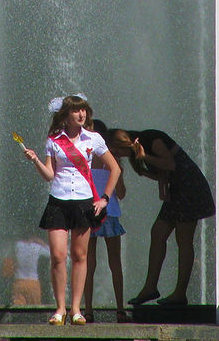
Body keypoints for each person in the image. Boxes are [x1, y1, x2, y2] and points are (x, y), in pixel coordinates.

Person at [22, 94, 121, 326]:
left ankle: (76, 309)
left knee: (80, 256)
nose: (81, 114)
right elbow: (50, 175)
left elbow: (115, 168)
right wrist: (36, 160)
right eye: (76, 111)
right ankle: (60, 309)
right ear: (65, 116)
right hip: (58, 199)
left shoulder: (93, 139)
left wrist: (105, 198)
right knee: (57, 256)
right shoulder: (54, 140)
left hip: (83, 202)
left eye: (84, 110)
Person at [109, 127, 215, 307]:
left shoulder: (151, 139)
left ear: (123, 143)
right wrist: (154, 181)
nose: (116, 154)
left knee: (184, 239)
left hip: (190, 187)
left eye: (116, 150)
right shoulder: (139, 150)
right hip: (177, 190)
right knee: (158, 232)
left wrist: (145, 157)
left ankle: (180, 293)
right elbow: (162, 172)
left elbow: (171, 164)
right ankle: (150, 287)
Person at [83, 119, 129, 323]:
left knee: (87, 264)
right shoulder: (113, 162)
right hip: (109, 212)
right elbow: (122, 193)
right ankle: (120, 309)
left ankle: (88, 310)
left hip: (90, 213)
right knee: (115, 263)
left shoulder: (85, 159)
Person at [3, 231, 52, 305]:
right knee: (34, 312)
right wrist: (41, 242)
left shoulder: (16, 245)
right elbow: (51, 253)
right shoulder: (36, 247)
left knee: (17, 311)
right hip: (33, 283)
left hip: (18, 283)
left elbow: (6, 255)